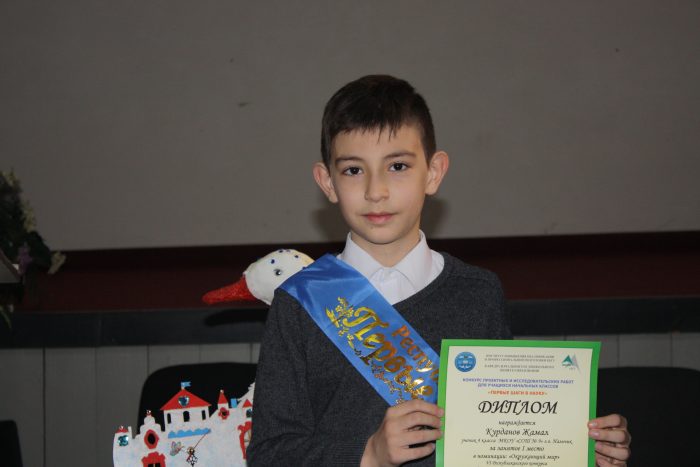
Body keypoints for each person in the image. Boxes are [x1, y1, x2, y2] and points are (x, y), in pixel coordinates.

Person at [247, 75, 631, 466]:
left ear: (433, 173)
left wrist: (580, 452)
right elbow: (269, 455)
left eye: (397, 166)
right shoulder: (299, 303)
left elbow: (503, 444)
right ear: (327, 182)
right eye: (353, 171)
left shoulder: (478, 293)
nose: (376, 191)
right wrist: (368, 454)